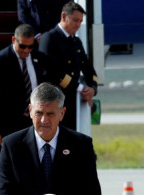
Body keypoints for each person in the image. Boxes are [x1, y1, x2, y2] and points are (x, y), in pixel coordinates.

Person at [0, 82, 101, 195]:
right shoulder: (12, 146)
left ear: (62, 113)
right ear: (30, 110)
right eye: (39, 113)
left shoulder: (81, 146)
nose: (44, 120)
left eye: (50, 114)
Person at [0, 24, 48, 156]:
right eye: (22, 46)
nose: (26, 50)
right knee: (7, 168)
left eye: (30, 46)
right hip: (8, 126)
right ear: (14, 40)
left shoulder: (39, 58)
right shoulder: (0, 59)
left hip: (34, 124)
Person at [38, 2, 98, 130]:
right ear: (64, 16)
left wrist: (92, 88)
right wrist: (80, 87)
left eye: (80, 21)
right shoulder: (49, 39)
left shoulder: (76, 41)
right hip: (53, 102)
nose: (78, 25)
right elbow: (53, 73)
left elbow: (87, 67)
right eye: (75, 20)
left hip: (70, 102)